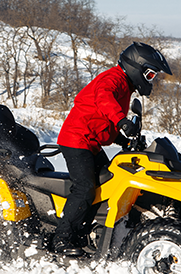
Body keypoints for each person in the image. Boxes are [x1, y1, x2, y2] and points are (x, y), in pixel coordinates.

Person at [53, 42, 172, 256]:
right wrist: (122, 121)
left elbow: (100, 120)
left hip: (91, 142)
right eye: (151, 75)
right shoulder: (113, 79)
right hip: (76, 140)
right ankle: (62, 239)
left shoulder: (125, 85)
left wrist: (123, 140)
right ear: (138, 67)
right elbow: (104, 100)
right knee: (85, 187)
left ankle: (88, 232)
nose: (152, 81)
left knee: (106, 184)